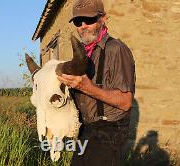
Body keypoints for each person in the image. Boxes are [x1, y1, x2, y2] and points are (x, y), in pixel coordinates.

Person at [57, 0, 136, 165]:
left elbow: (125, 102)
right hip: (86, 129)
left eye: (90, 20)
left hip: (109, 131)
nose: (83, 26)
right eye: (78, 22)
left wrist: (86, 87)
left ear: (103, 19)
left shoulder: (116, 49)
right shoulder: (85, 53)